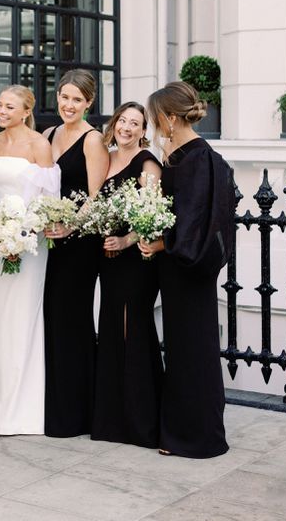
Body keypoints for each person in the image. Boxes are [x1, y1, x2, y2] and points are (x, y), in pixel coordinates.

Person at [139, 81, 235, 458]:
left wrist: (162, 242)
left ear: (169, 118)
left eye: (154, 118)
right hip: (175, 267)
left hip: (187, 267)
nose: (153, 124)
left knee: (194, 349)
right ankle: (178, 431)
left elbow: (194, 219)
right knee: (179, 349)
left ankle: (198, 437)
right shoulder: (178, 153)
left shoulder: (197, 157)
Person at [0, 84, 60, 435]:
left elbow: (48, 200)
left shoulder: (39, 145)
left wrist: (24, 233)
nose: (1, 111)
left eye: (9, 107)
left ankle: (25, 412)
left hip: (30, 245)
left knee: (24, 317)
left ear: (26, 111)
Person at [41, 69, 110, 437]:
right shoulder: (48, 134)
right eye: (65, 98)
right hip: (47, 242)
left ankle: (77, 412)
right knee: (49, 318)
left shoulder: (93, 140)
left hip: (79, 244)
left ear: (89, 103)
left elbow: (97, 198)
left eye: (77, 100)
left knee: (72, 319)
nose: (69, 105)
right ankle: (53, 405)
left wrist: (69, 226)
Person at [91, 101, 164, 448]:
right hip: (109, 258)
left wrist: (125, 239)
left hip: (136, 260)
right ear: (114, 123)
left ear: (143, 131)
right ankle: (113, 418)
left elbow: (152, 217)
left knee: (131, 326)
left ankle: (142, 421)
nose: (127, 127)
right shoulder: (107, 157)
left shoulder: (146, 164)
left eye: (136, 123)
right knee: (110, 326)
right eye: (123, 120)